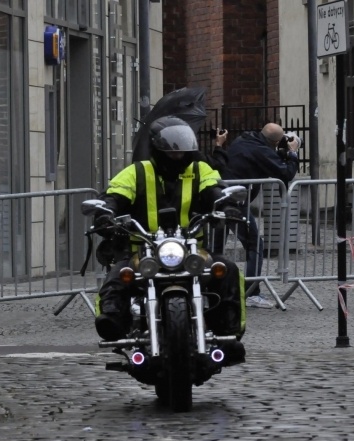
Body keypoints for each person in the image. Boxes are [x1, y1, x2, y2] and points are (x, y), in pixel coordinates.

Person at [93, 116, 246, 361]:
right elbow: (115, 193)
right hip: (143, 251)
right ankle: (112, 323)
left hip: (192, 251)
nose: (178, 157)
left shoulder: (200, 170)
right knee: (118, 276)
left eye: (183, 153)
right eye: (172, 153)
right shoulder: (137, 172)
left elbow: (214, 188)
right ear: (157, 149)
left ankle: (228, 336)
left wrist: (227, 206)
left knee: (226, 270)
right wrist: (105, 213)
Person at [219, 123, 299, 308]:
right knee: (255, 244)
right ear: (276, 141)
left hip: (221, 198)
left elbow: (268, 160)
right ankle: (251, 292)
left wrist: (279, 153)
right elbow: (286, 172)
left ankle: (209, 289)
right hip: (235, 203)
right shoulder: (260, 150)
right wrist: (293, 153)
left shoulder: (245, 139)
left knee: (216, 246)